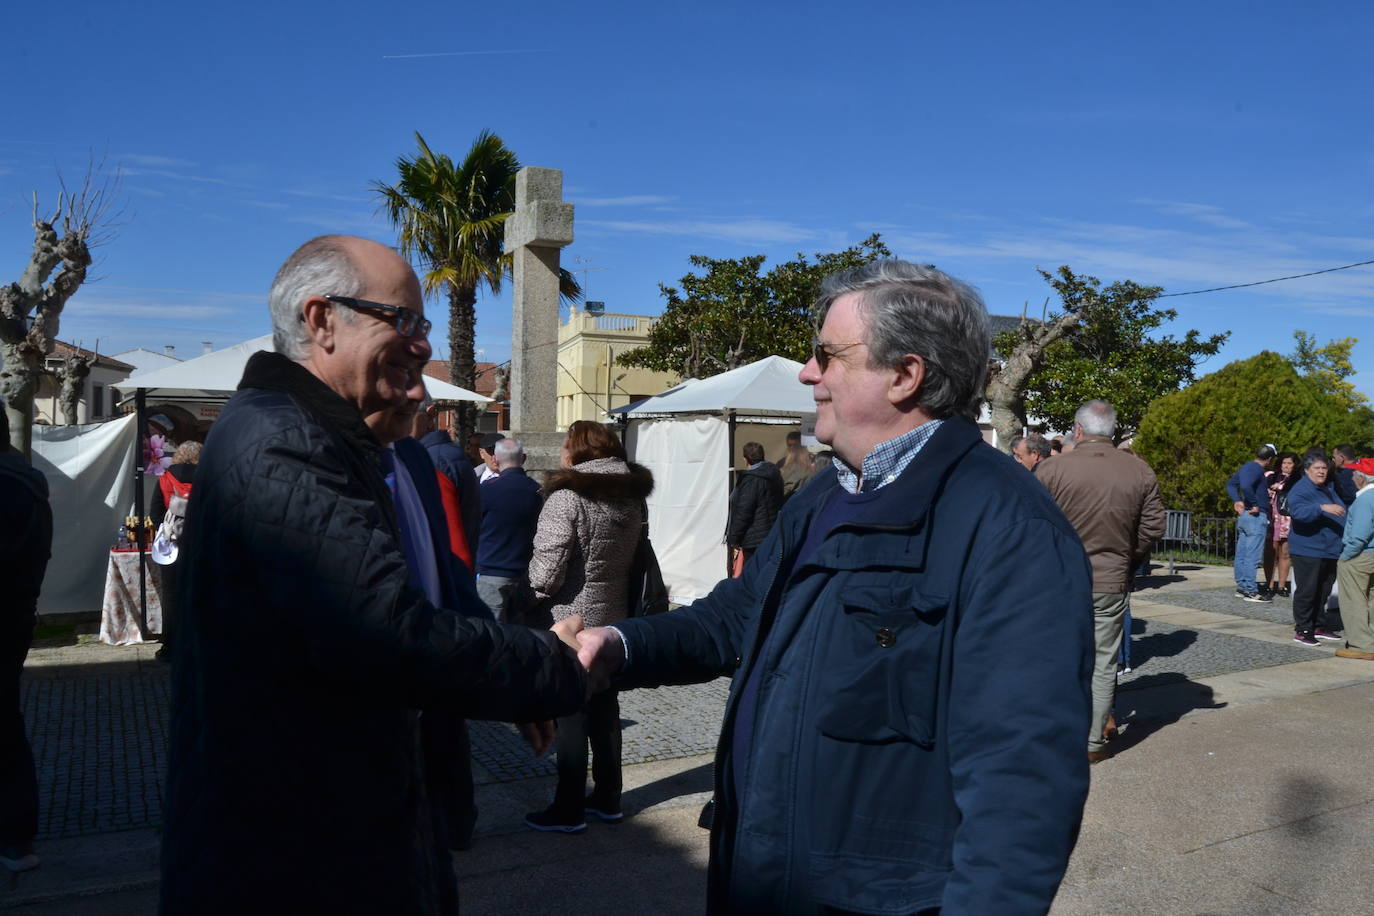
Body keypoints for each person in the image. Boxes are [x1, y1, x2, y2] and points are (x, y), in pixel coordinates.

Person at [570, 259, 1093, 912]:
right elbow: (730, 618)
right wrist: (614, 644)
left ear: (905, 375)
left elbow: (1023, 787)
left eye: (826, 355)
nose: (806, 373)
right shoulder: (825, 492)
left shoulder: (1006, 523)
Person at [159, 235, 586, 915]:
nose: (421, 347)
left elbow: (419, 595)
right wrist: (549, 664)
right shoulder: (286, 444)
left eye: (425, 327)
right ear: (322, 320)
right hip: (299, 860)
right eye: (404, 322)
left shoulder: (315, 435)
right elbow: (387, 634)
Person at [524, 421, 653, 833]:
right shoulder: (633, 499)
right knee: (605, 709)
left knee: (571, 714)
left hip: (570, 621)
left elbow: (546, 575)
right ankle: (608, 797)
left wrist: (523, 592)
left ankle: (568, 809)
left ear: (578, 450)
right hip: (615, 617)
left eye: (566, 443)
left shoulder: (567, 497)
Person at [1037, 400, 1165, 763]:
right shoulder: (1139, 471)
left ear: (1078, 430)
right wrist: (1127, 556)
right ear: (1111, 430)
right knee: (1103, 661)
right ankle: (1093, 742)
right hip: (1110, 578)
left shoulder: (1052, 469)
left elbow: (1030, 526)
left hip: (1059, 581)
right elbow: (1154, 525)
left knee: (1057, 657)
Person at [0, 403, 52, 874]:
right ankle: (16, 837)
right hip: (17, 619)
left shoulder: (6, 486)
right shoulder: (28, 480)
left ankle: (15, 836)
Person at [475, 437, 543, 623]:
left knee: (491, 638)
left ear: (495, 459)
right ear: (524, 458)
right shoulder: (537, 491)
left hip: (490, 574)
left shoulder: (486, 490)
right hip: (525, 576)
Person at [1286, 452, 1347, 647]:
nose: (1321, 471)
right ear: (1306, 471)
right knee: (1308, 591)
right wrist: (1321, 508)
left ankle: (1318, 625)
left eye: (1324, 468)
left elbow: (1341, 509)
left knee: (1324, 590)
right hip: (1308, 549)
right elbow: (1297, 512)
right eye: (1317, 468)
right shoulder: (1301, 489)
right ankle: (1303, 629)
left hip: (1329, 549)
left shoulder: (1326, 487)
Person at [150, 440, 202, 663]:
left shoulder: (164, 479)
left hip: (171, 548)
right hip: (199, 546)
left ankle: (170, 646)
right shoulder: (207, 479)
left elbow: (155, 514)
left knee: (171, 597)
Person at [417, 401, 482, 561]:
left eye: (401, 413)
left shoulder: (435, 460)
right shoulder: (436, 455)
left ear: (430, 415)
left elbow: (450, 537)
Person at [1226, 445, 1277, 602]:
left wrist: (1237, 500)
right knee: (1252, 556)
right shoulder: (1256, 469)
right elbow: (1246, 486)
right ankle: (1250, 590)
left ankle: (1242, 587)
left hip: (1245, 517)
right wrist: (1254, 503)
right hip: (1255, 515)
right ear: (1269, 459)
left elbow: (1230, 484)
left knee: (1242, 553)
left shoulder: (1246, 467)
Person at [725, 441, 784, 574]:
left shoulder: (752, 479)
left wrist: (734, 538)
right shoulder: (774, 474)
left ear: (745, 459)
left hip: (754, 539)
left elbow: (744, 512)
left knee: (752, 575)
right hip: (771, 533)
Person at [1336, 459, 1374, 660]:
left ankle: (1362, 645)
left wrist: (1345, 556)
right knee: (1371, 600)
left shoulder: (1365, 499)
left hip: (1361, 555)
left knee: (1354, 600)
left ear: (1362, 478)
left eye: (1355, 473)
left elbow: (1360, 534)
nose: (1351, 477)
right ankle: (1371, 640)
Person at [1266, 451, 1299, 598]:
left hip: (1287, 519)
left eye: (1289, 463)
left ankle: (1281, 585)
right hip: (1272, 517)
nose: (1286, 466)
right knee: (1271, 552)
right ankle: (1269, 584)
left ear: (1295, 465)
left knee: (1285, 553)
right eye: (1284, 463)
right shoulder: (1270, 476)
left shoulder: (1297, 479)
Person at [775, 429, 815, 500]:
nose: (792, 448)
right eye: (790, 445)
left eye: (795, 445)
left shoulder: (812, 460)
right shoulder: (781, 463)